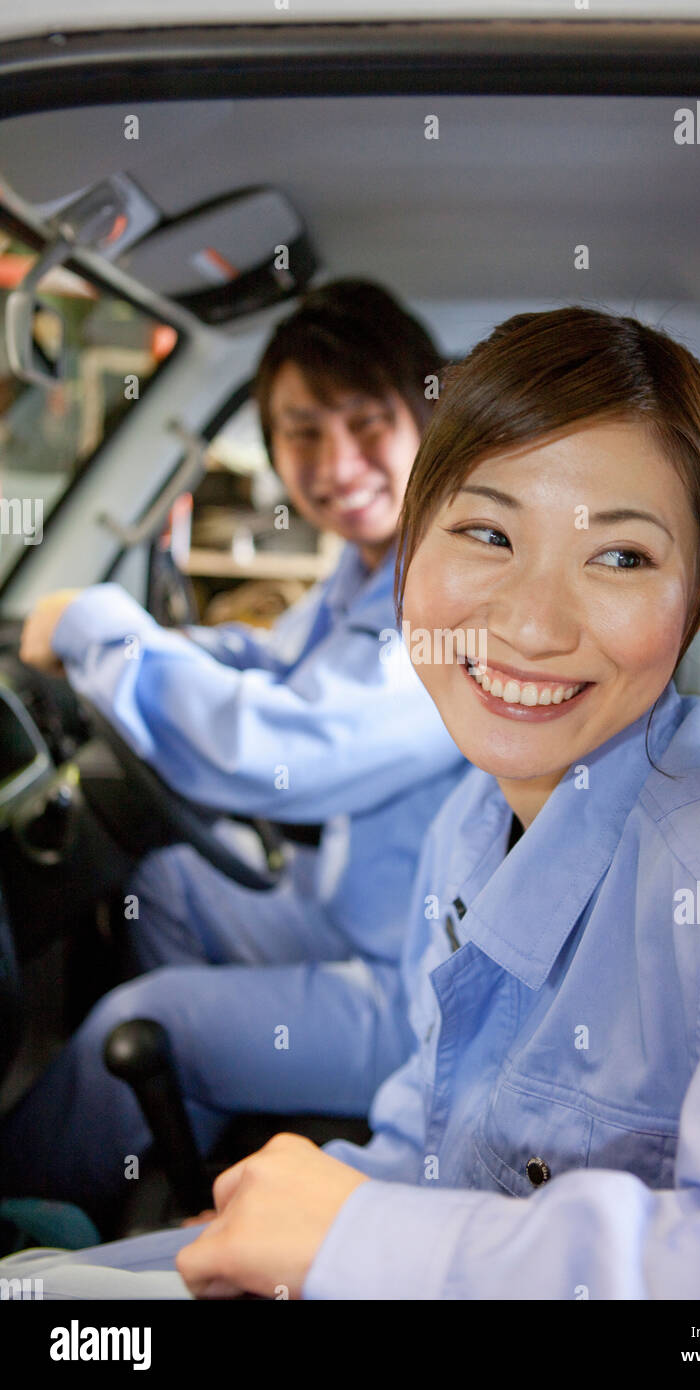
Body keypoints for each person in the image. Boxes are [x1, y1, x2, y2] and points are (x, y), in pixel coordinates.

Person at [4, 304, 700, 1299]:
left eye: (620, 557)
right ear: (407, 553)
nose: (532, 624)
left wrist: (365, 1241)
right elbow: (437, 1132)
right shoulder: (475, 819)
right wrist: (320, 1217)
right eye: (487, 534)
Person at [0, 280, 465, 1232]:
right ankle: (183, 1134)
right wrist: (152, 652)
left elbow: (282, 741)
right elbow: (271, 661)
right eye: (301, 431)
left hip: (420, 995)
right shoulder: (372, 564)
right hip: (358, 914)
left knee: (150, 1020)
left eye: (367, 421)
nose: (336, 463)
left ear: (426, 413)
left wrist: (96, 627)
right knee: (169, 878)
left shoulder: (455, 582)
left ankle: (22, 1214)